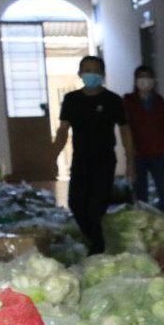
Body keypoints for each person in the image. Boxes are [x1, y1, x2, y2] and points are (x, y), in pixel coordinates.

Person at [54, 56, 130, 255]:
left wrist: (131, 160)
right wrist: (53, 156)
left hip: (104, 161)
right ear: (80, 74)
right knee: (76, 204)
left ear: (103, 75)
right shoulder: (71, 100)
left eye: (95, 70)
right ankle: (96, 241)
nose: (91, 74)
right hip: (80, 160)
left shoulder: (113, 100)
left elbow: (124, 130)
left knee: (96, 206)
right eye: (87, 70)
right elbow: (63, 130)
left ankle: (97, 248)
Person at [122, 65, 164, 212]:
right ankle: (143, 221)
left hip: (157, 153)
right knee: (140, 193)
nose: (144, 80)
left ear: (153, 80)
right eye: (141, 77)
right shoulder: (128, 101)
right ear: (135, 81)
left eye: (148, 77)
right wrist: (129, 160)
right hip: (138, 155)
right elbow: (125, 129)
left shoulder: (159, 101)